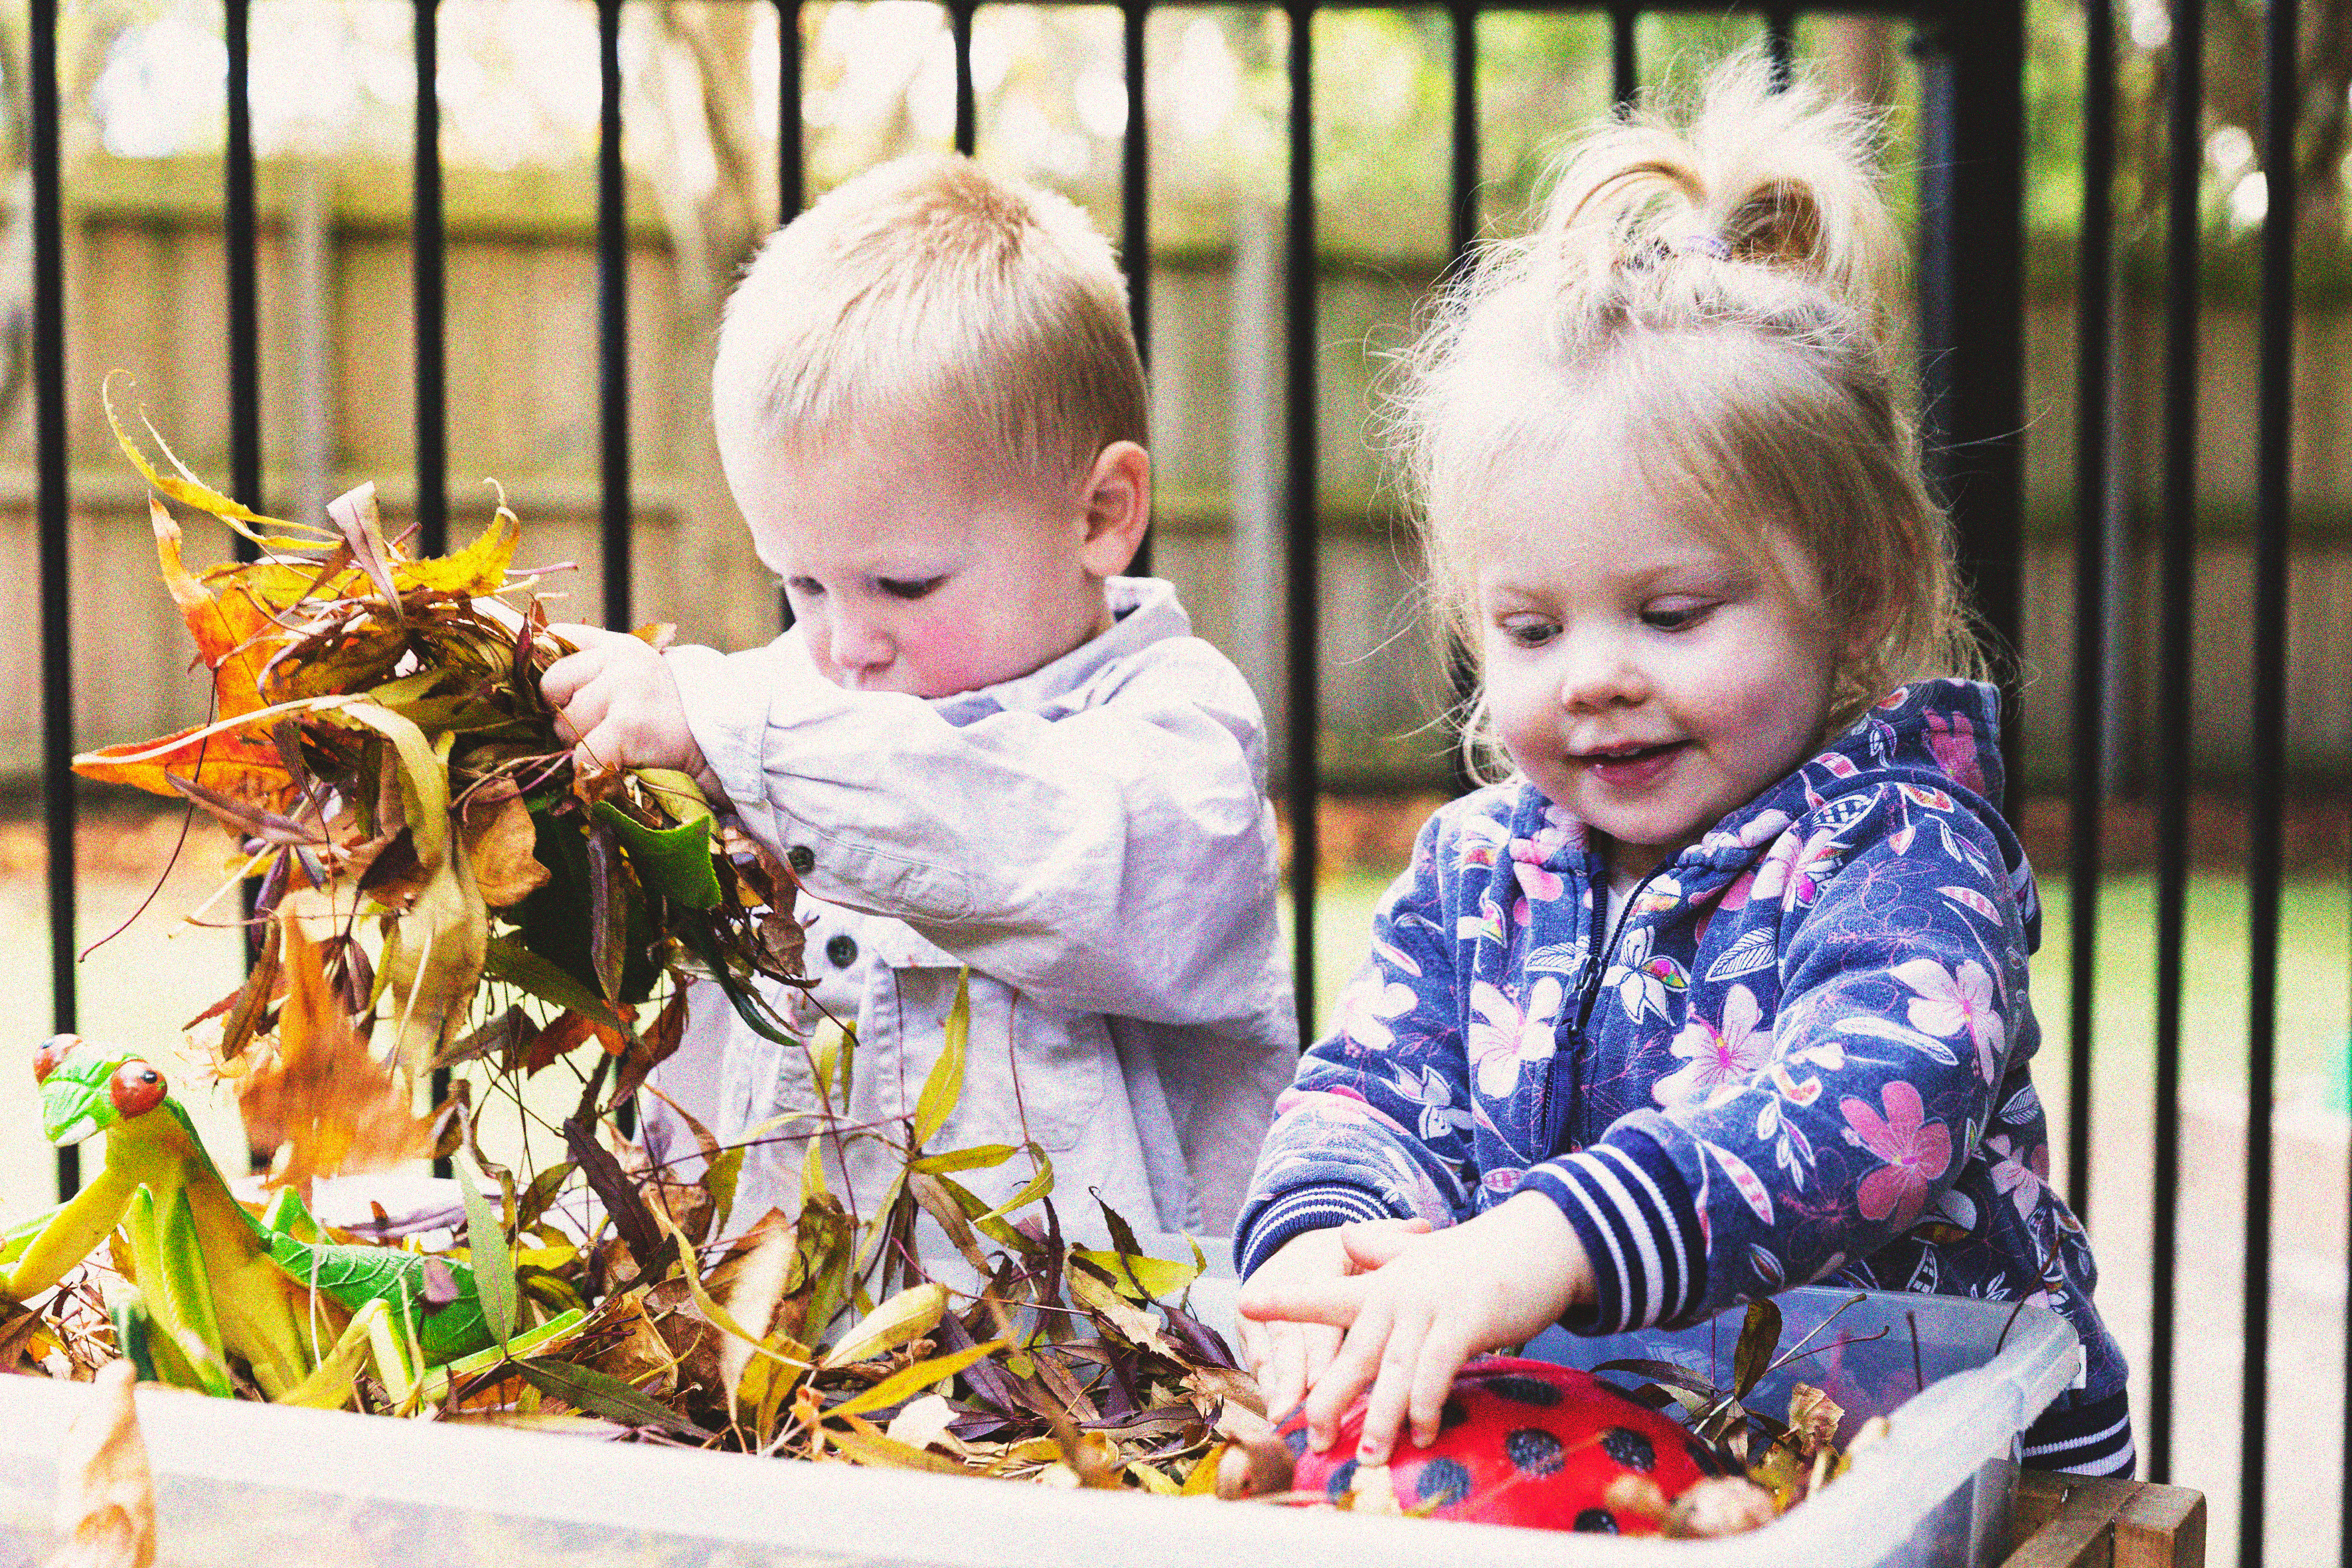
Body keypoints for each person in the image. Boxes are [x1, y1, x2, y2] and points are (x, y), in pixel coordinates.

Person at [1230, 53, 2132, 1480]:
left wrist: (1557, 1233)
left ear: (1859, 584)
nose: (1593, 674)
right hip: (1631, 1435)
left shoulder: (1901, 848)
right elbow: (1368, 1086)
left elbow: (1872, 1109)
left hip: (1938, 1465)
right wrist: (1317, 1248)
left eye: (1670, 613)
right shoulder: (1476, 869)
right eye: (1530, 626)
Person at [541, 153, 1295, 1241]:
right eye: (800, 583)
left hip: (1111, 1386)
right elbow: (682, 1076)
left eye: (903, 584)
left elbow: (1027, 840)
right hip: (791, 1385)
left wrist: (737, 741)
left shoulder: (1177, 741)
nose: (845, 643)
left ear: (1099, 515)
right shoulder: (756, 712)